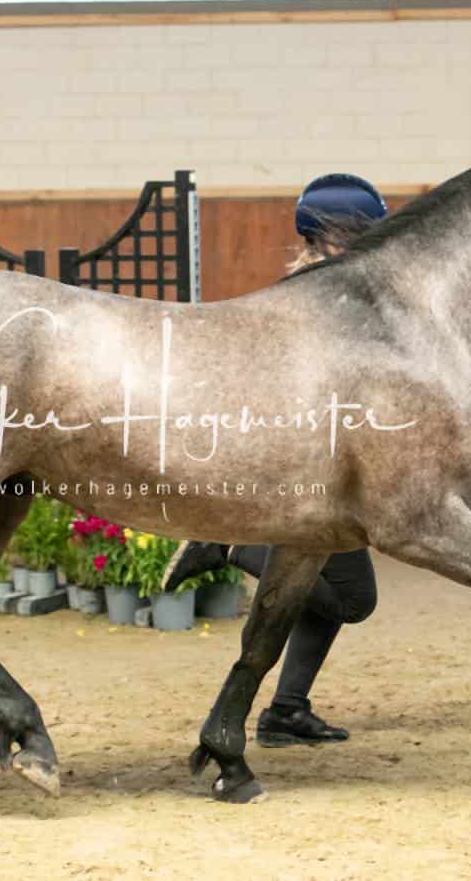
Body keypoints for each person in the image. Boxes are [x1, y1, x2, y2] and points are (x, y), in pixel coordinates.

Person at [162, 173, 388, 747]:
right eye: (367, 235)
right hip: (301, 477)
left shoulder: (321, 290)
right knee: (352, 598)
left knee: (333, 593)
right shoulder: (319, 299)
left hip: (323, 474)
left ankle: (286, 711)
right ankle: (227, 547)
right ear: (338, 237)